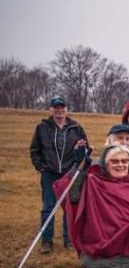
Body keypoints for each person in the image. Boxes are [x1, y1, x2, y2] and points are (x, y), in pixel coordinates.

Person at [30, 96, 88, 253]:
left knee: (68, 207)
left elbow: (85, 151)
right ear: (51, 109)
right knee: (48, 207)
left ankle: (69, 239)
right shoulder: (42, 128)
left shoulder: (76, 128)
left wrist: (81, 150)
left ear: (66, 109)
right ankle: (46, 242)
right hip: (49, 173)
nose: (59, 110)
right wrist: (40, 166)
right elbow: (35, 149)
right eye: (56, 107)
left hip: (69, 173)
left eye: (62, 107)